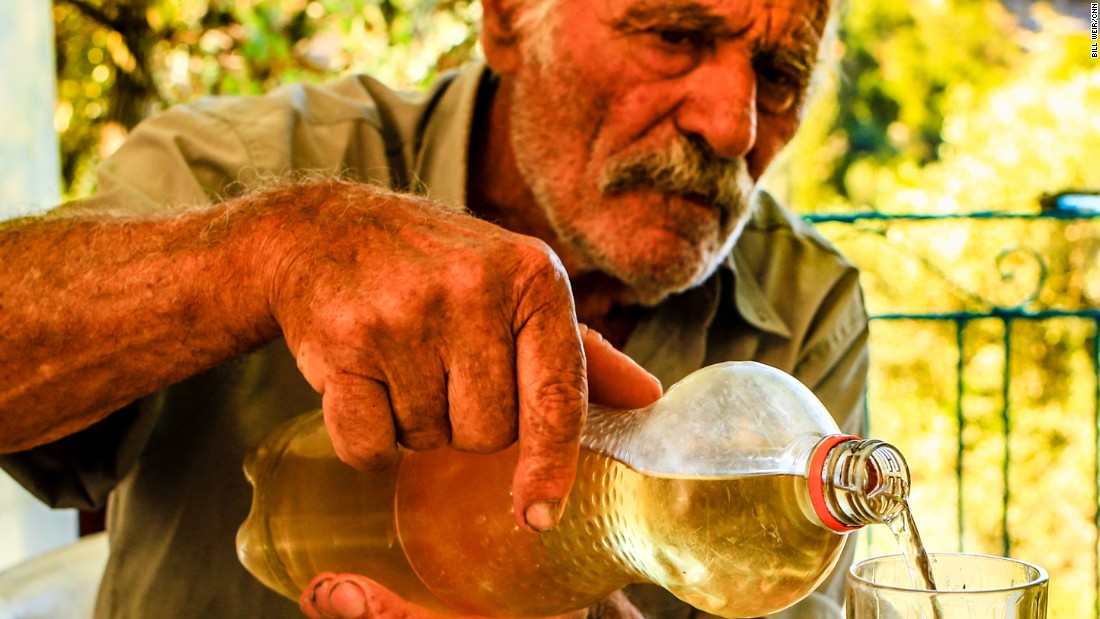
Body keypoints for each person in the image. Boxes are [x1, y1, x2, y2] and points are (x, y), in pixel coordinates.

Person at [0, 0, 868, 616]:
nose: (734, 125)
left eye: (781, 74)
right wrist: (267, 254)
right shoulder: (241, 164)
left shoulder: (804, 302)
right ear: (506, 18)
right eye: (676, 34)